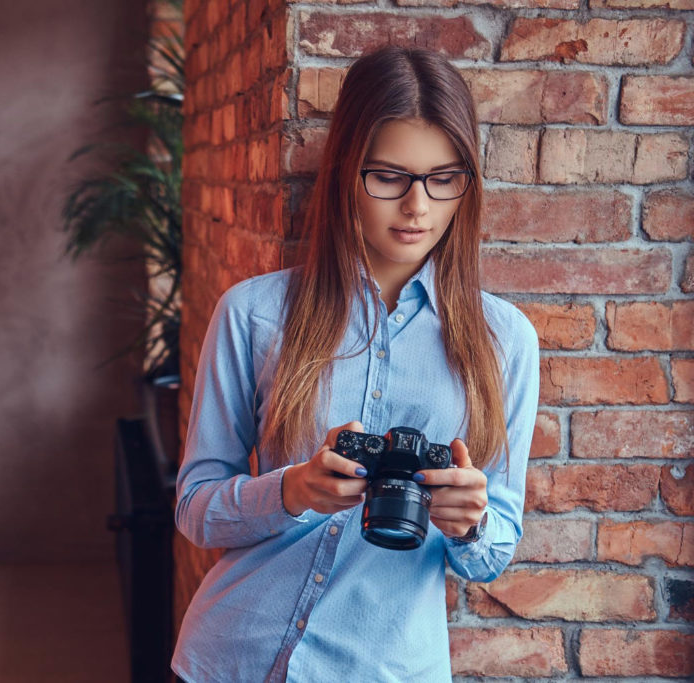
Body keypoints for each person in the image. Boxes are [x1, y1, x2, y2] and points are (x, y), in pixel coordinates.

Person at [171, 46, 540, 682]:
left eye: (443, 178)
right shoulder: (254, 315)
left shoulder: (503, 340)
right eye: (389, 176)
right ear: (347, 170)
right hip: (231, 656)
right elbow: (195, 508)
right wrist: (292, 490)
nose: (418, 207)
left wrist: (469, 524)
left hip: (387, 667)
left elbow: (491, 557)